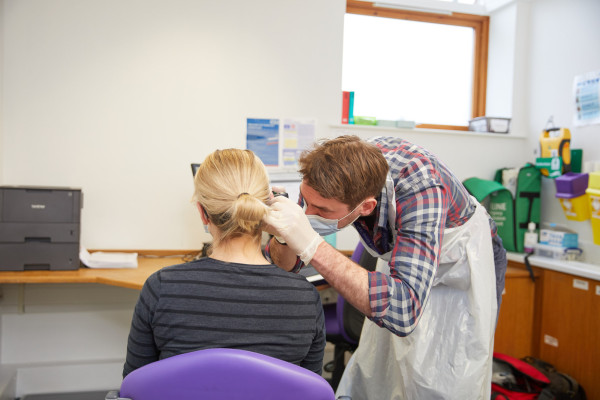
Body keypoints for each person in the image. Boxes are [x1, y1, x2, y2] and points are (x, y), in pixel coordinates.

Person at [264, 135, 507, 399]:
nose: (309, 213)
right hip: (405, 271)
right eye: (305, 202)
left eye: (321, 210)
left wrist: (312, 244)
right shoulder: (333, 172)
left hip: (463, 269)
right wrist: (282, 233)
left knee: (448, 378)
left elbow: (403, 312)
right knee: (384, 373)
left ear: (366, 207)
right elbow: (289, 265)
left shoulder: (422, 187)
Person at [123, 148, 325, 378]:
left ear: (202, 213)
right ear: (267, 207)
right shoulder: (305, 297)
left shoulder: (161, 287)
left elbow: (135, 385)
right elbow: (311, 390)